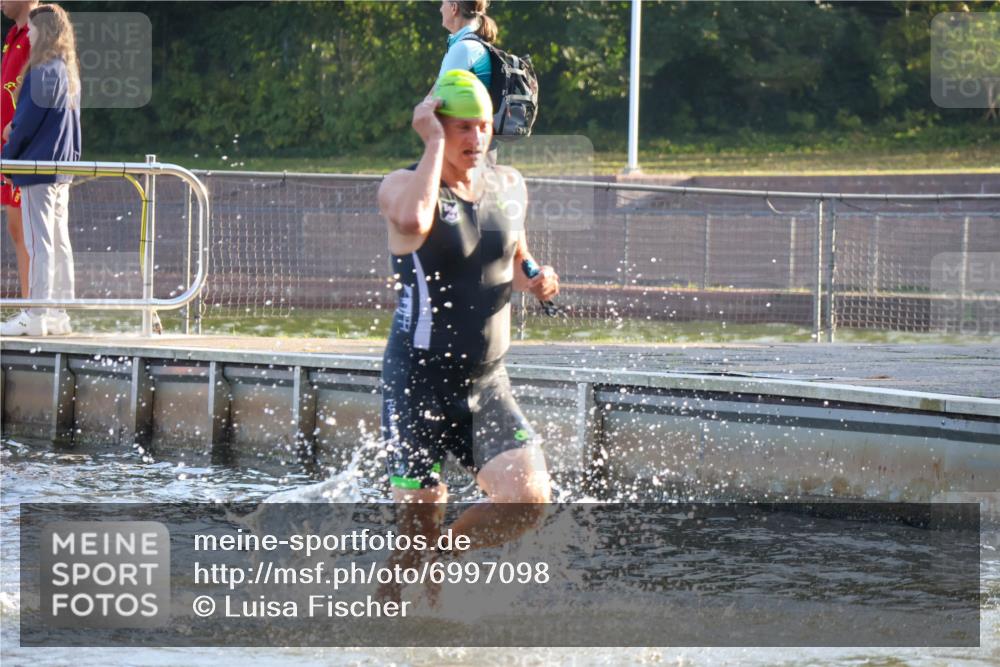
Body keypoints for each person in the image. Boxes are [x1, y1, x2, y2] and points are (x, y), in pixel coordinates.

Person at [376, 70, 558, 600]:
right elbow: (414, 221)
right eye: (461, 129)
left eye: (483, 128)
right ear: (434, 126)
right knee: (415, 536)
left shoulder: (510, 186)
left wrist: (538, 279)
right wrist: (433, 144)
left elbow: (516, 259)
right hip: (420, 383)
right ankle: (381, 623)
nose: (476, 140)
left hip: (485, 384)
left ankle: (443, 559)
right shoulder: (398, 186)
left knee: (528, 499)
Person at [1, 3, 81, 336]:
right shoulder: (66, 70)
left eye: (32, 31)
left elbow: (27, 121)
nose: (28, 36)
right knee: (58, 241)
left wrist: (8, 150)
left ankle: (36, 315)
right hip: (60, 166)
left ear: (44, 32)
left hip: (38, 168)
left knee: (39, 241)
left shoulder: (42, 70)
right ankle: (59, 312)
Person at [1, 0, 38, 323]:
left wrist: (20, 131)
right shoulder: (14, 34)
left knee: (29, 230)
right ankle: (33, 306)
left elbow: (42, 92)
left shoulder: (38, 33)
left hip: (25, 150)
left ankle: (36, 308)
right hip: (9, 150)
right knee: (17, 229)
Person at [438, 0, 496, 90]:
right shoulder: (474, 43)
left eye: (442, 3)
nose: (440, 9)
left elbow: (437, 96)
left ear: (454, 8)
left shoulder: (463, 48)